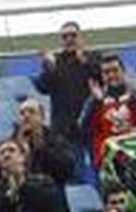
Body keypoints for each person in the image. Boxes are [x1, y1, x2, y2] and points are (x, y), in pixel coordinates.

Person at [34, 21, 101, 149]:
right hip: (63, 129)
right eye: (65, 36)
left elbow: (101, 80)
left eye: (73, 35)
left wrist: (84, 61)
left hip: (92, 122)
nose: (69, 39)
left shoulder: (93, 57)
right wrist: (50, 69)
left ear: (80, 37)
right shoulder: (55, 60)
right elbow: (42, 88)